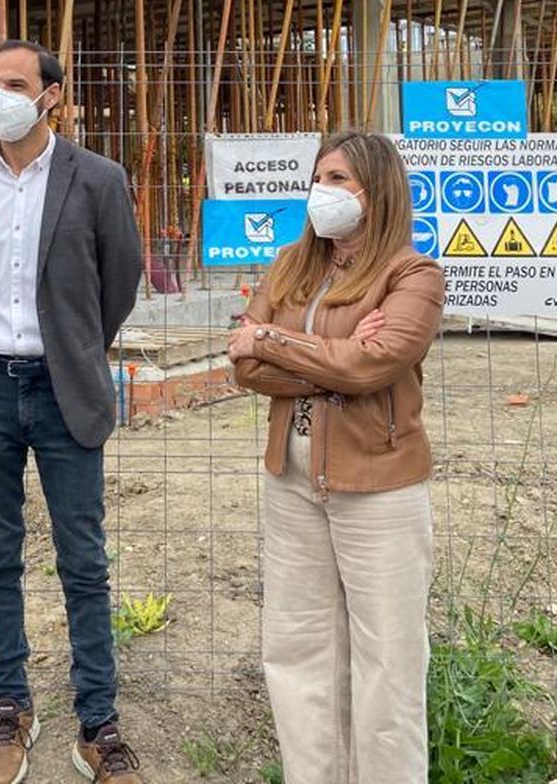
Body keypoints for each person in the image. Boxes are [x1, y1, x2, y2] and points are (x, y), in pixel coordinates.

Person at [0, 39, 145, 784]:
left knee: (83, 559)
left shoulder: (98, 179)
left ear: (51, 96)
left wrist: (74, 348)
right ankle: (10, 709)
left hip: (64, 391)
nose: (0, 96)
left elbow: (120, 281)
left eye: (16, 84)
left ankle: (98, 723)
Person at [228, 130, 444, 784]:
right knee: (297, 652)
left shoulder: (413, 275)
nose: (322, 191)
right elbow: (245, 368)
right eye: (318, 178)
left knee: (388, 663)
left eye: (339, 179)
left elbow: (373, 365)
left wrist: (272, 338)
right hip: (291, 480)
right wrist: (332, 359)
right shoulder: (291, 264)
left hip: (378, 486)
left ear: (376, 192)